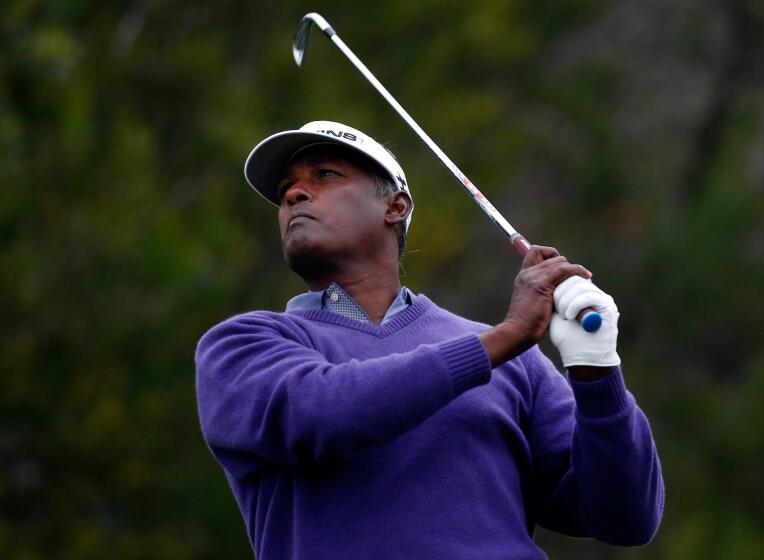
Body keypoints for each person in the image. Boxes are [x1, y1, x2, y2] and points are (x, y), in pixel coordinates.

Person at [195, 120, 664, 560]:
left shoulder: (517, 364)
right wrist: (506, 338)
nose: (295, 193)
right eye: (285, 191)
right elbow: (321, 412)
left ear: (395, 206)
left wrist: (596, 367)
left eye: (325, 174)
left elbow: (625, 518)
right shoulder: (242, 345)